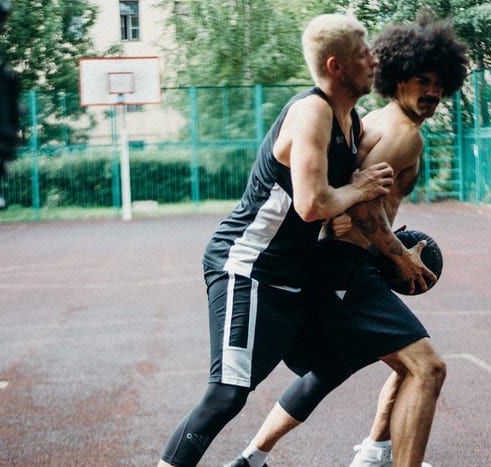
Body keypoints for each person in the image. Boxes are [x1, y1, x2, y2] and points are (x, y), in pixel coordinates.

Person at [156, 13, 418, 467]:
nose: (375, 59)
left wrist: (388, 247)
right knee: (226, 394)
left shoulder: (350, 121)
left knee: (337, 358)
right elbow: (312, 204)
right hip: (248, 266)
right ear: (336, 66)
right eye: (364, 52)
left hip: (292, 277)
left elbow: (347, 205)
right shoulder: (310, 112)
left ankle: (251, 460)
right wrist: (361, 187)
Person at [225, 9, 469, 467]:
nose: (433, 91)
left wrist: (367, 237)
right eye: (423, 80)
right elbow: (361, 201)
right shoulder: (406, 137)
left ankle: (258, 457)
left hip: (339, 260)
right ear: (398, 78)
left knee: (346, 367)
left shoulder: (370, 118)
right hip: (345, 266)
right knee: (427, 367)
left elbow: (352, 184)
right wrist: (398, 256)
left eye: (440, 83)